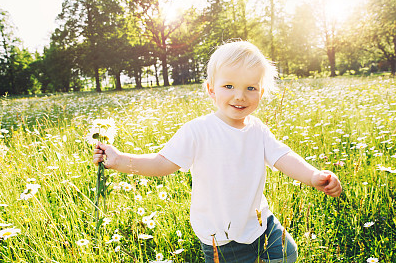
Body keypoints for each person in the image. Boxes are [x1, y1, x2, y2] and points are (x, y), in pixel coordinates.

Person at [93, 40, 342, 263]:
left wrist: (313, 176)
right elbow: (161, 164)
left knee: (287, 254)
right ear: (211, 89)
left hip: (261, 223)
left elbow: (283, 157)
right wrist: (120, 160)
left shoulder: (258, 129)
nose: (240, 96)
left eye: (250, 88)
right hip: (222, 238)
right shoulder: (198, 131)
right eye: (229, 86)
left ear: (261, 92)